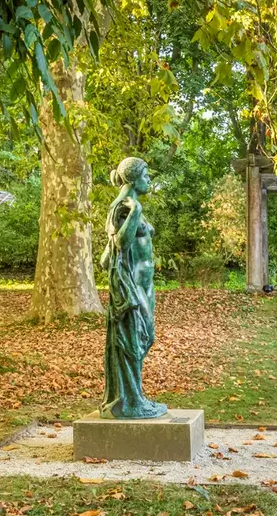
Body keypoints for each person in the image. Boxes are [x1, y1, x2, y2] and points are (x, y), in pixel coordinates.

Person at [98, 157, 168, 419]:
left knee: (143, 338)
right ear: (133, 177)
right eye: (146, 174)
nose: (149, 179)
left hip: (144, 286)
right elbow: (120, 243)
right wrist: (136, 210)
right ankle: (130, 401)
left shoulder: (131, 204)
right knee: (132, 340)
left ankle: (134, 396)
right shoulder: (123, 207)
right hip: (131, 286)